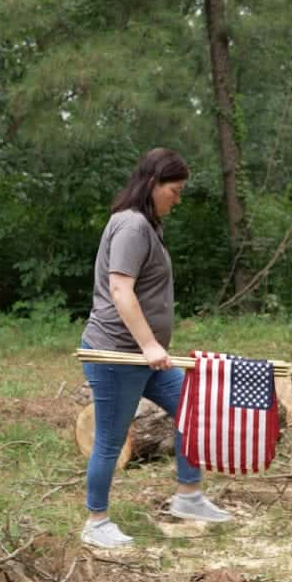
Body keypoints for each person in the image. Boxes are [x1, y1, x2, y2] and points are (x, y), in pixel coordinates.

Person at [78, 148, 232, 549]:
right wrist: (148, 345)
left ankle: (189, 497)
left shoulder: (147, 224)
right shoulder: (131, 226)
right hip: (118, 355)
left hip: (146, 357)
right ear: (152, 184)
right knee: (111, 439)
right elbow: (119, 288)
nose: (177, 199)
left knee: (193, 410)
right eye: (175, 191)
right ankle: (96, 522)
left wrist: (153, 347)